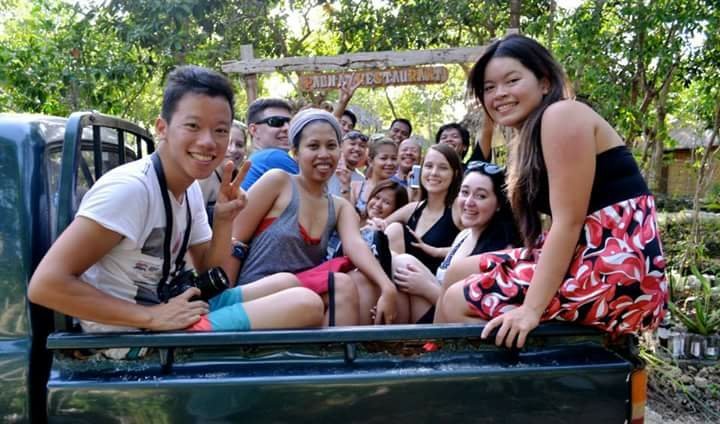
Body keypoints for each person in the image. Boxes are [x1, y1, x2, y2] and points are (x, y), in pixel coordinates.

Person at [28, 65, 324, 335]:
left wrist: (224, 219)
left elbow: (210, 270)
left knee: (287, 282)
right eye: (193, 126)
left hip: (170, 306)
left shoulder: (188, 187)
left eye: (220, 130)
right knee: (305, 303)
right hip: (129, 336)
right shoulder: (130, 189)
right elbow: (45, 285)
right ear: (162, 128)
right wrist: (152, 317)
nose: (208, 141)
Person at [435, 34, 668, 348]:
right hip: (586, 254)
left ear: (544, 83)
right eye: (489, 87)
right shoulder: (531, 137)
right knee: (456, 270)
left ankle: (474, 375)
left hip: (614, 269)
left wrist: (531, 310)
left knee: (456, 299)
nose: (499, 94)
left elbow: (569, 221)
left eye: (512, 81)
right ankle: (437, 359)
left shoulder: (563, 115)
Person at [225, 109, 398, 326]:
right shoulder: (278, 182)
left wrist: (387, 287)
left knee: (364, 280)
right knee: (341, 283)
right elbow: (234, 241)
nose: (324, 154)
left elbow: (355, 245)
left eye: (331, 146)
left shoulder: (340, 206)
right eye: (314, 146)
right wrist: (222, 300)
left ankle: (353, 346)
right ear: (295, 152)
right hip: (257, 294)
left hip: (304, 301)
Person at [393, 161, 520, 324]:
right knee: (397, 261)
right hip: (433, 311)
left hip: (452, 329)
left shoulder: (502, 251)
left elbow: (473, 313)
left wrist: (426, 288)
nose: (469, 202)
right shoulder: (464, 235)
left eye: (481, 196)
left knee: (403, 263)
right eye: (465, 192)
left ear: (498, 204)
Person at [384, 143, 464, 274]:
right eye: (428, 166)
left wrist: (436, 251)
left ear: (454, 174)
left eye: (443, 168)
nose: (434, 173)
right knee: (394, 229)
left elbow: (477, 247)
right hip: (401, 279)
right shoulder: (413, 208)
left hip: (434, 283)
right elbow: (378, 226)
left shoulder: (458, 208)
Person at [241, 98, 296, 190]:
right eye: (276, 122)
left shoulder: (256, 159)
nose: (287, 128)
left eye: (290, 122)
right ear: (254, 130)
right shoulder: (272, 157)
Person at [199, 120, 247, 223]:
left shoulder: (239, 179)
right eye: (228, 143)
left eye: (239, 145)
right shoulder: (205, 178)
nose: (233, 149)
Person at [348, 138, 398, 215]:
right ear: (370, 161)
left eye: (394, 159)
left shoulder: (399, 192)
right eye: (383, 158)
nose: (389, 163)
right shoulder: (356, 187)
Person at [326, 130, 368, 197]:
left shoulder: (362, 181)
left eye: (362, 146)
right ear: (341, 146)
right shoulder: (326, 169)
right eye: (352, 144)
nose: (357, 149)